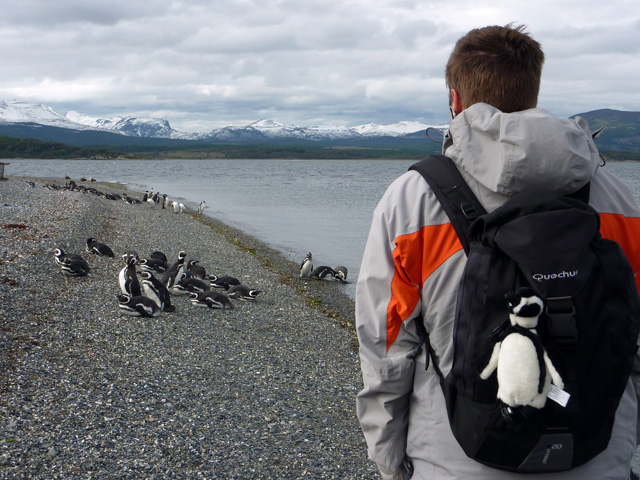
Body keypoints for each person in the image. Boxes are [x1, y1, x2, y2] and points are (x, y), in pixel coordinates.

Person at [355, 24, 640, 480]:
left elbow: (386, 344)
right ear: (533, 92)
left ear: (455, 100)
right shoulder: (619, 200)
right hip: (593, 452)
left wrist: (388, 460)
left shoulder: (410, 200)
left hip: (454, 459)